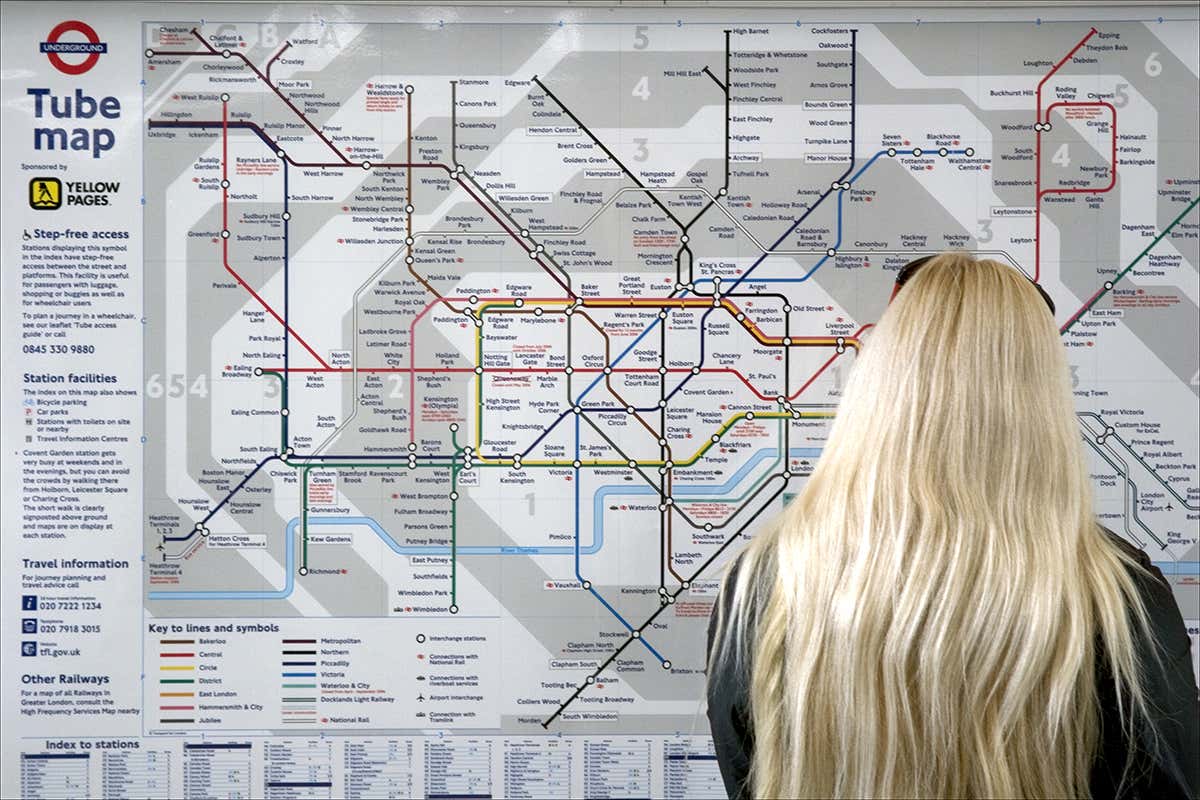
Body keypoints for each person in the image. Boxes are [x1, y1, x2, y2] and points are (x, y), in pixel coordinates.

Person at [705, 252, 1198, 799]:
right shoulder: (1116, 592)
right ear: (1041, 395)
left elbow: (750, 776)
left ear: (883, 381)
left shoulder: (763, 584)